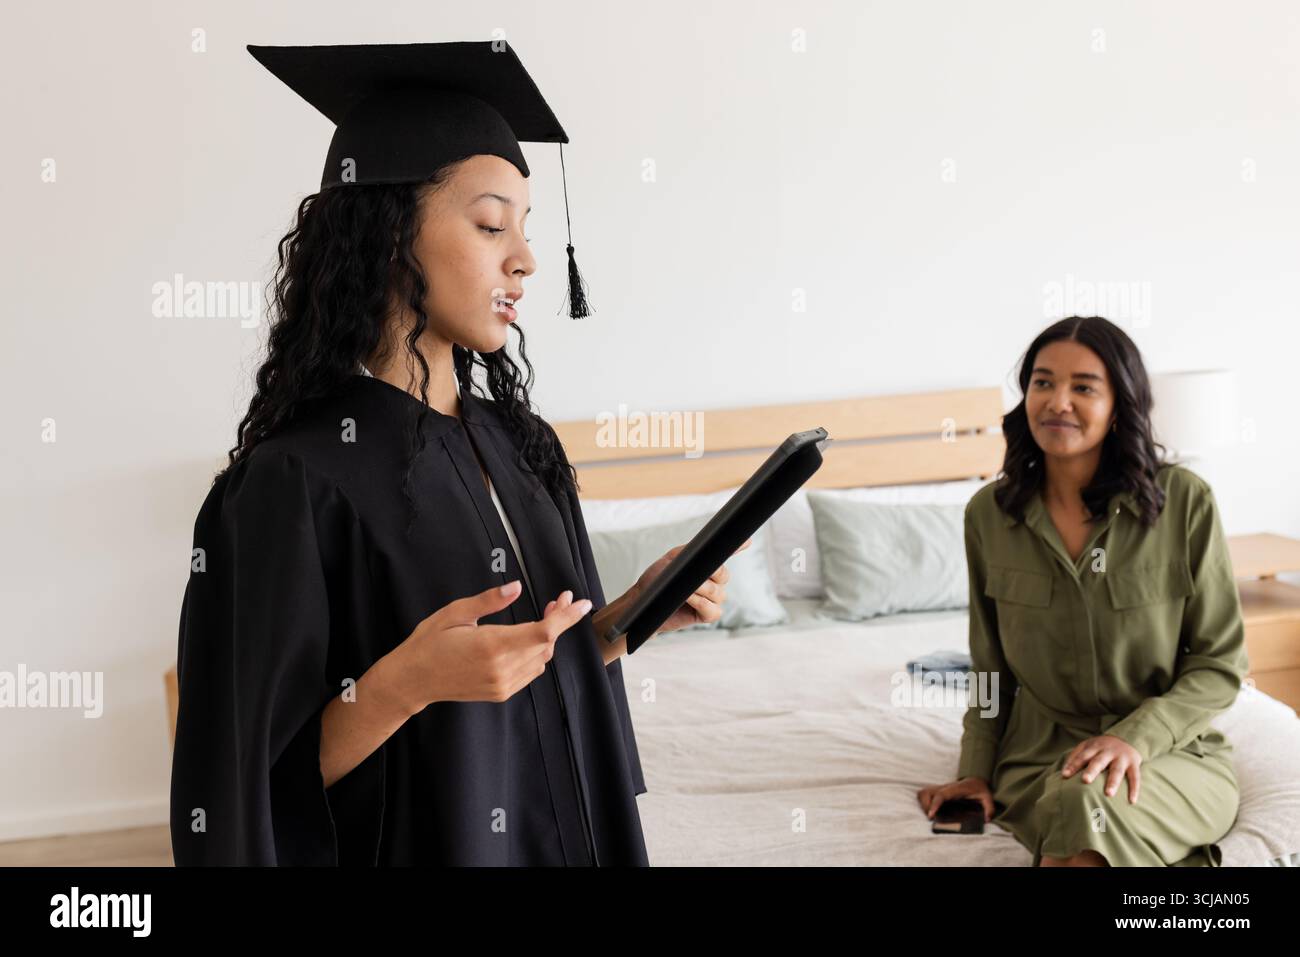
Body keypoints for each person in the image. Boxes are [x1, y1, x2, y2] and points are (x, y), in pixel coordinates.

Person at [170, 40, 749, 866]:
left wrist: (630, 614)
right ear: (390, 229)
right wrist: (406, 681)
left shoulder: (522, 444)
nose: (525, 258)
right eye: (489, 223)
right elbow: (248, 788)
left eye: (525, 228)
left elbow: (547, 669)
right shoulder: (290, 482)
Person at [917, 316, 1249, 866]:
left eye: (1083, 387)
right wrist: (974, 771)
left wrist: (1135, 738)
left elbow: (1219, 664)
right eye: (1042, 382)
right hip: (1038, 760)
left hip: (1170, 756)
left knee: (1084, 805)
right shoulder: (989, 516)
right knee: (1078, 803)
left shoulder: (1185, 502)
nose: (1057, 402)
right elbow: (990, 669)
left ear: (1120, 403)